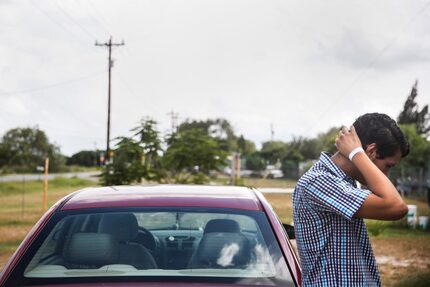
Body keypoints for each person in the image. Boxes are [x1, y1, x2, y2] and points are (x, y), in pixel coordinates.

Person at [293, 113, 409, 286]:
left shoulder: (344, 183)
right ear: (371, 151)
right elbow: (396, 207)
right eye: (388, 166)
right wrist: (357, 153)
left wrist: (358, 155)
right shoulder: (318, 181)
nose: (387, 176)